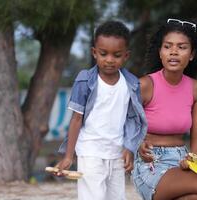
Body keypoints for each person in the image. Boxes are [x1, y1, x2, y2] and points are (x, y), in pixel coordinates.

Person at [132, 18, 197, 200]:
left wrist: (192, 157)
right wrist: (138, 143)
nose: (173, 52)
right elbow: (123, 124)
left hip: (182, 161)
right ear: (160, 52)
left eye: (182, 47)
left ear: (192, 54)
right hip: (151, 165)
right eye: (167, 46)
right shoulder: (145, 85)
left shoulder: (195, 88)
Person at [55, 20, 147, 200]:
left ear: (126, 55)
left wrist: (129, 148)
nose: (110, 60)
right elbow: (76, 119)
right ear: (94, 53)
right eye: (103, 54)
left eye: (117, 55)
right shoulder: (85, 81)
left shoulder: (131, 84)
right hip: (90, 152)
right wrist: (68, 156)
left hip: (116, 153)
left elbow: (131, 120)